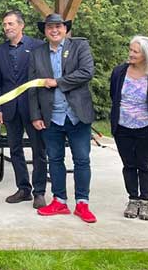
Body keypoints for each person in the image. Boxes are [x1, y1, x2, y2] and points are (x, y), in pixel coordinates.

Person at [29, 13, 97, 223]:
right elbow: (32, 86)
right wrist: (35, 115)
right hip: (51, 118)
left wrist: (57, 81)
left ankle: (82, 203)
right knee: (55, 160)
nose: (54, 30)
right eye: (50, 27)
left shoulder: (80, 47)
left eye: (58, 26)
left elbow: (86, 72)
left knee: (82, 160)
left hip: (77, 115)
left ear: (65, 29)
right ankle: (59, 201)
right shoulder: (37, 53)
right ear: (45, 31)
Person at [0, 10, 47, 208]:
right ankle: (23, 189)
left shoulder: (38, 47)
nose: (7, 28)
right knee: (15, 150)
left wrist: (41, 110)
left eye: (10, 24)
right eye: (5, 24)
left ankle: (39, 191)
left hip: (33, 110)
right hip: (9, 110)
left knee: (38, 150)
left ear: (21, 25)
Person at [110, 36, 148, 221]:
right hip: (122, 126)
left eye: (135, 52)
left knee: (144, 164)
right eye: (130, 50)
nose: (130, 54)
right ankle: (133, 199)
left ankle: (145, 201)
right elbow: (114, 95)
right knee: (129, 164)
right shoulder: (119, 72)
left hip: (145, 127)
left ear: (146, 55)